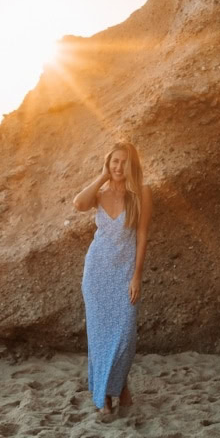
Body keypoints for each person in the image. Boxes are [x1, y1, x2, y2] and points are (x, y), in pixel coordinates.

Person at [73, 141, 153, 415]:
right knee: (99, 337)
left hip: (124, 274)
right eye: (114, 161)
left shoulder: (141, 193)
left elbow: (142, 236)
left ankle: (118, 388)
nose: (119, 167)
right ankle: (106, 397)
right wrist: (103, 176)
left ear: (133, 165)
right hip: (96, 272)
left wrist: (137, 276)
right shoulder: (100, 192)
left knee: (124, 338)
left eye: (124, 162)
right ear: (108, 163)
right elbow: (78, 203)